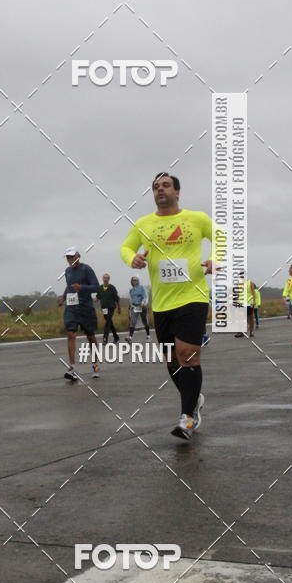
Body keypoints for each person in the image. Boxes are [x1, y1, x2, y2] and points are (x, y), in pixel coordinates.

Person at [121, 172, 216, 441]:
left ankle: (187, 418)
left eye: (165, 185)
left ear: (177, 192)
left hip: (193, 296)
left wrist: (213, 260)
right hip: (162, 303)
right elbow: (126, 248)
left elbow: (221, 238)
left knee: (188, 354)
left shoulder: (197, 219)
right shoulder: (143, 224)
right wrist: (133, 259)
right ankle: (194, 399)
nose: (159, 190)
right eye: (155, 187)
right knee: (172, 360)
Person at [58, 247, 99, 380]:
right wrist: (63, 298)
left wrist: (82, 287)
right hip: (71, 307)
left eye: (71, 256)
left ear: (78, 256)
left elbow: (96, 286)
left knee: (91, 337)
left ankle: (95, 365)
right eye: (67, 257)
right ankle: (72, 367)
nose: (69, 259)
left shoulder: (87, 269)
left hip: (86, 308)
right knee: (70, 334)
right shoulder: (67, 271)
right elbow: (69, 286)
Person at [97, 274, 120, 343]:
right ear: (102, 278)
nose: (105, 279)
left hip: (111, 307)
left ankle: (105, 338)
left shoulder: (112, 287)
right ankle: (116, 337)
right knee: (109, 322)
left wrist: (119, 307)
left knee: (107, 323)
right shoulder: (100, 288)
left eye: (107, 278)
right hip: (104, 308)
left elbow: (116, 298)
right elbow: (98, 297)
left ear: (109, 279)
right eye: (104, 278)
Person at [233, 274, 255, 339]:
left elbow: (253, 293)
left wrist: (254, 302)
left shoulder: (250, 282)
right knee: (240, 317)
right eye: (240, 276)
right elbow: (237, 293)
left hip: (249, 303)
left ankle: (251, 332)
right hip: (241, 303)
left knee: (250, 318)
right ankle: (240, 332)